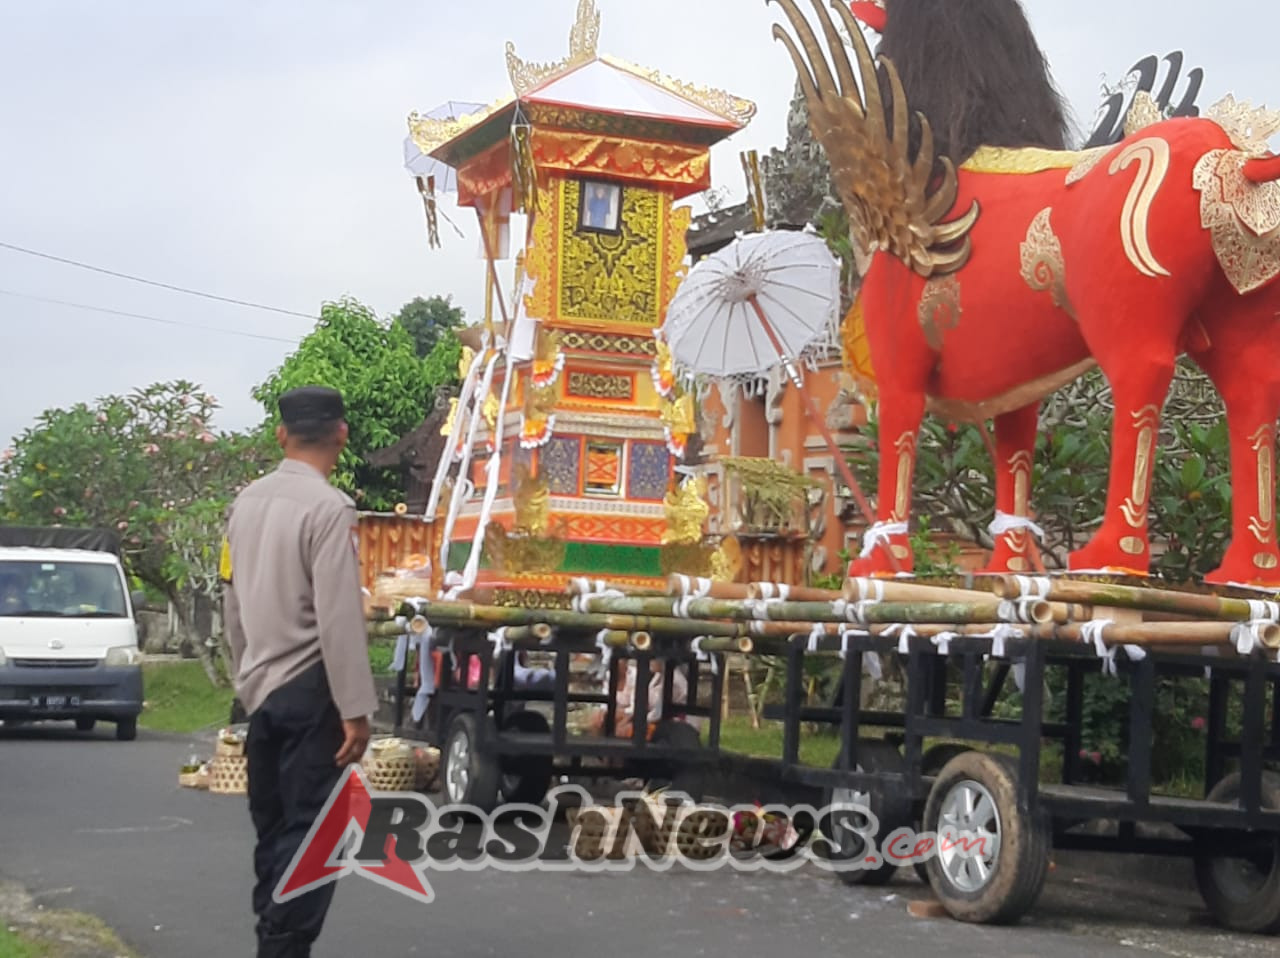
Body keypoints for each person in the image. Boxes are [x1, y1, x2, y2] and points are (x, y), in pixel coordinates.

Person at [220, 385, 377, 958]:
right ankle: (283, 947)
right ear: (342, 434)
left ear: (281, 436)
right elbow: (338, 617)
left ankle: (271, 934)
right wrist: (356, 710)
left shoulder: (246, 503)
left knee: (276, 827)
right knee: (314, 835)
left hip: (262, 687)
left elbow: (231, 603)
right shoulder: (328, 509)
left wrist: (247, 676)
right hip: (313, 691)